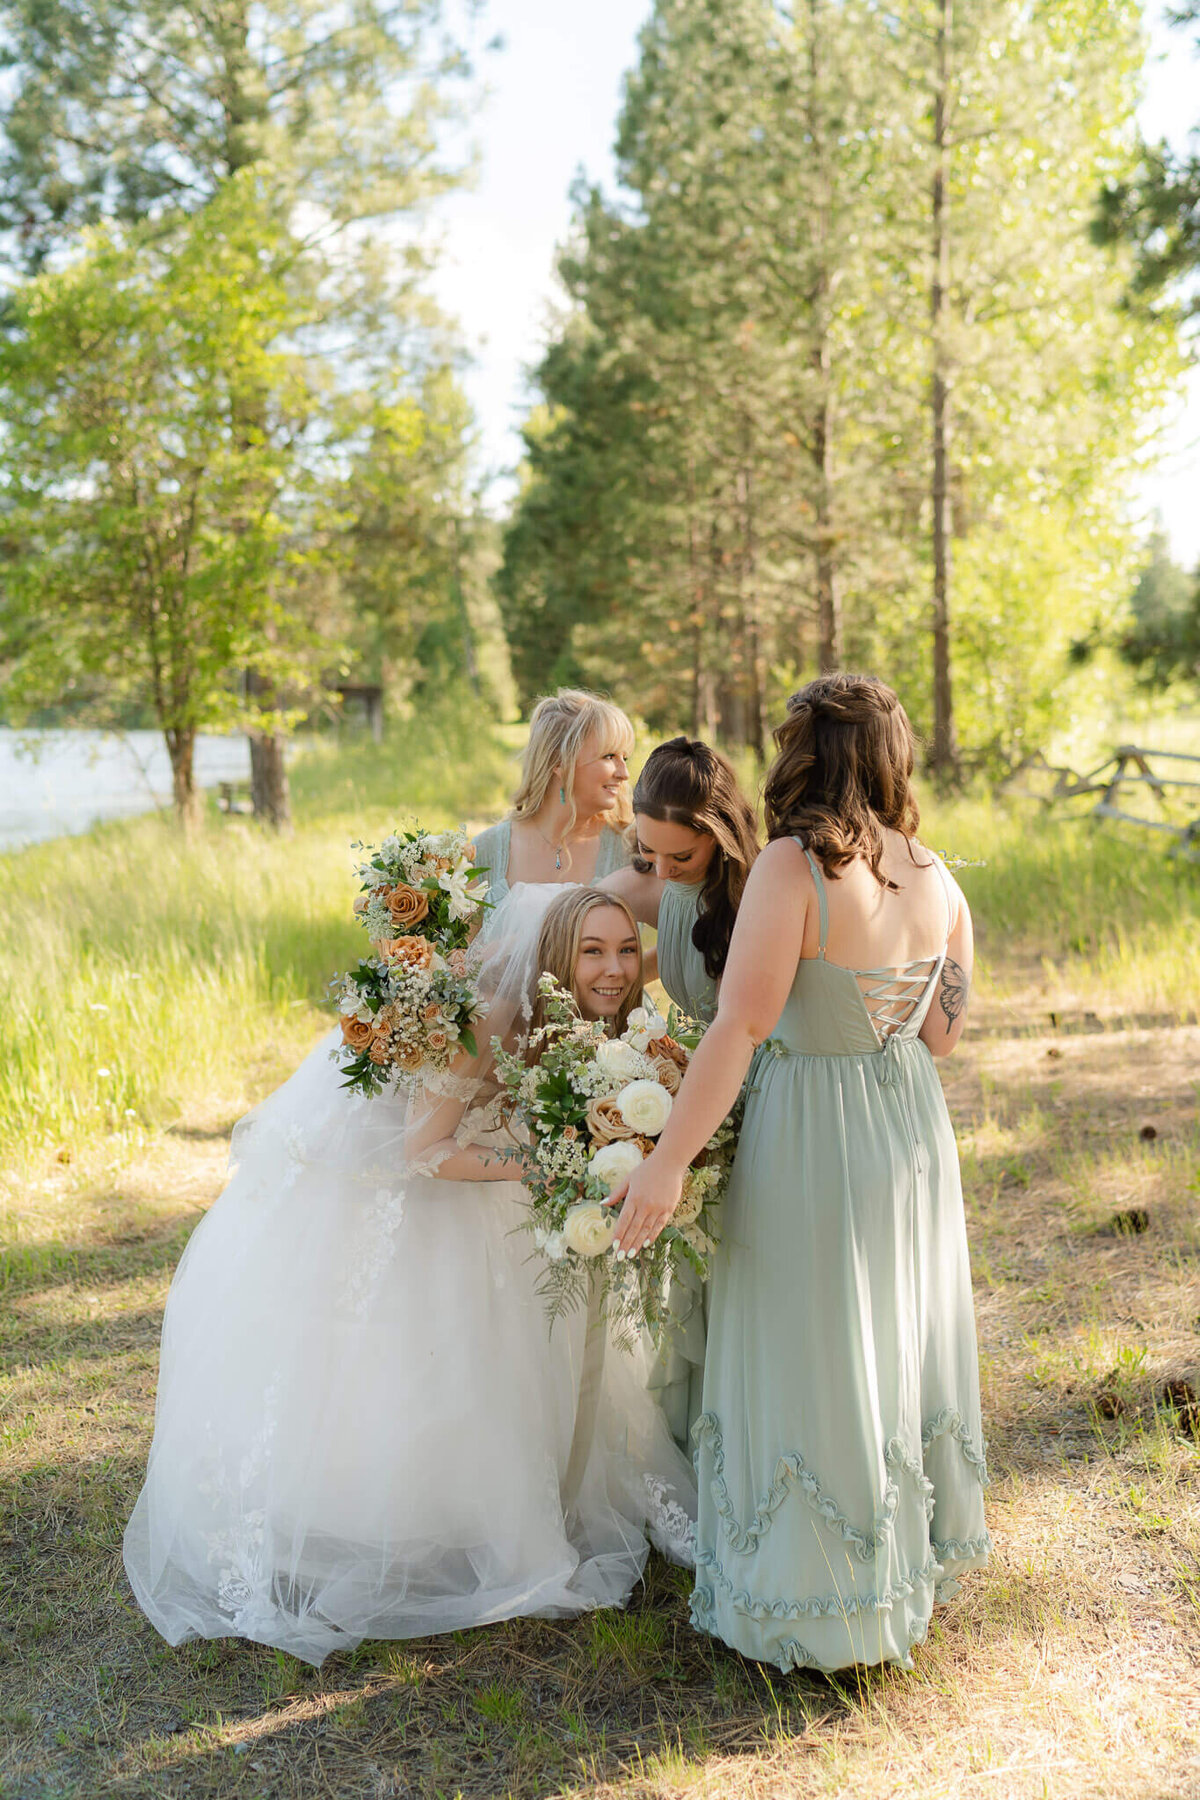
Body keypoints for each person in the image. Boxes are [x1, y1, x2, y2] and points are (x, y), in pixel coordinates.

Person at [123, 883, 695, 1668]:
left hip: (504, 1177)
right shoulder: (494, 1016)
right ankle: (434, 1517)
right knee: (447, 1356)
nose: (616, 968)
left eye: (627, 950)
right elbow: (425, 1151)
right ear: (556, 957)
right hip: (437, 1184)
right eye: (592, 951)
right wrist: (545, 1165)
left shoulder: (608, 1023)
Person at [608, 674, 989, 1673]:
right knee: (886, 1332)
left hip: (812, 1122)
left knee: (809, 1341)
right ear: (893, 758)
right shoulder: (936, 875)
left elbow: (739, 1026)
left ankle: (814, 1596)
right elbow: (942, 1033)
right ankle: (890, 1573)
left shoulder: (792, 866)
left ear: (802, 757)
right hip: (906, 1123)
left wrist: (666, 1162)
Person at [599, 736, 759, 1449]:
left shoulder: (763, 894)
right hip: (691, 1101)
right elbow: (569, 927)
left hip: (761, 1096)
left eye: (681, 858)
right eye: (647, 853)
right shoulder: (655, 885)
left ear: (720, 835)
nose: (661, 872)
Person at [471, 689, 634, 904]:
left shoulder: (629, 852)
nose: (624, 774)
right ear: (559, 762)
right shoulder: (484, 852)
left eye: (624, 758)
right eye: (609, 756)